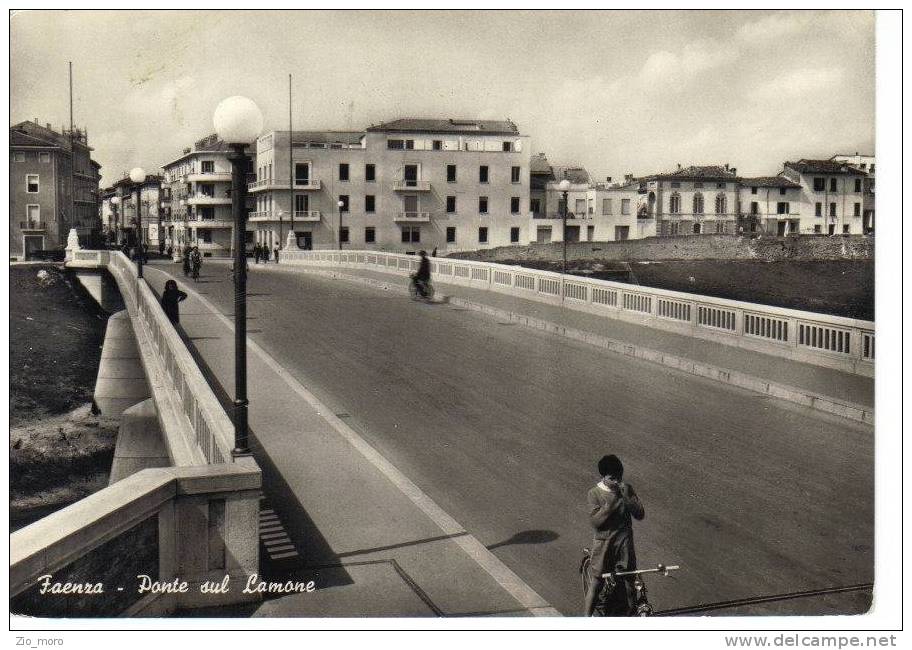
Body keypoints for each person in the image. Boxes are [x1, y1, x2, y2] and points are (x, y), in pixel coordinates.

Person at [583, 454, 645, 616]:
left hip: (624, 545)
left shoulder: (627, 489)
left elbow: (640, 514)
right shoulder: (594, 494)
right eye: (612, 478)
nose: (617, 481)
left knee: (629, 583)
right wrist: (609, 506)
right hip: (604, 546)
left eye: (619, 476)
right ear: (603, 477)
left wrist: (628, 498)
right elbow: (596, 522)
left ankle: (630, 616)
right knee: (597, 583)